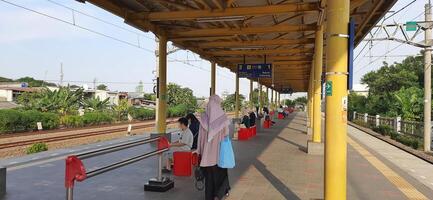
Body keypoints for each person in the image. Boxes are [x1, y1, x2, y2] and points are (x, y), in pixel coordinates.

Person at [197, 95, 231, 200]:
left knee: (209, 178)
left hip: (206, 157)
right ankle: (218, 195)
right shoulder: (223, 119)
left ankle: (209, 197)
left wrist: (200, 151)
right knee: (221, 176)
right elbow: (226, 134)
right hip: (219, 154)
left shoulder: (203, 119)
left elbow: (200, 139)